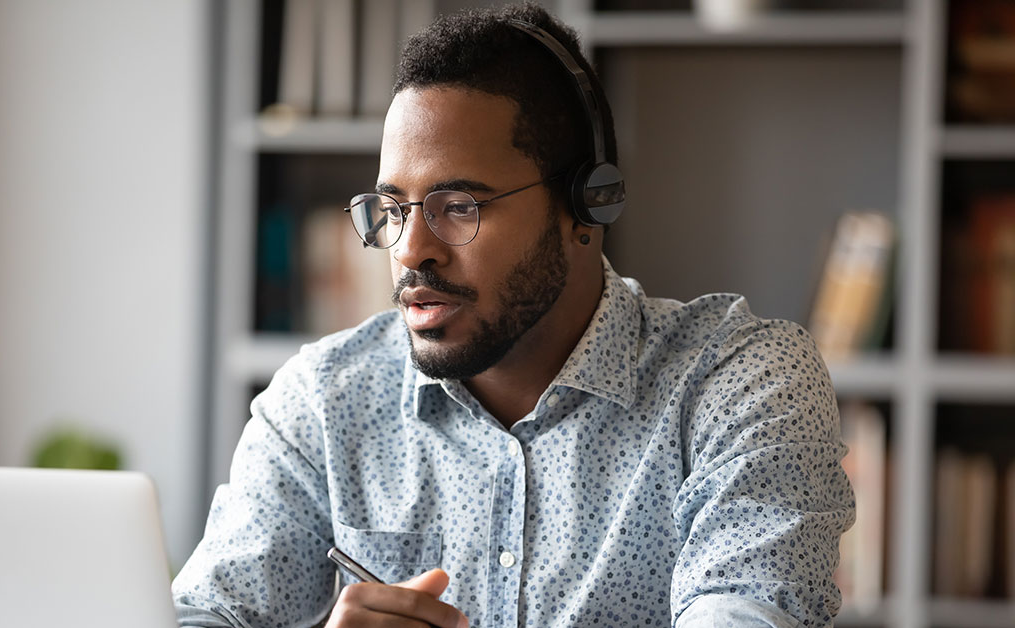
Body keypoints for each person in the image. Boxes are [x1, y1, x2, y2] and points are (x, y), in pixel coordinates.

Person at [173, 3, 854, 627]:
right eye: (393, 209)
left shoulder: (737, 384)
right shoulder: (325, 401)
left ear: (587, 207)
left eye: (459, 206)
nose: (411, 250)